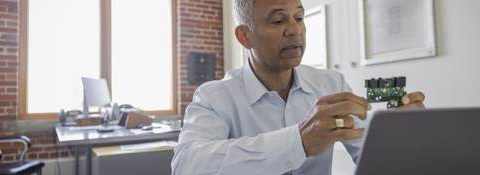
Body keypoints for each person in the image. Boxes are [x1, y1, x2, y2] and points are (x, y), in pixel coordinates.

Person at [171, 0, 426, 174]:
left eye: (299, 17)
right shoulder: (214, 96)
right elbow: (186, 165)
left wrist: (399, 137)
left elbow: (371, 159)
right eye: (278, 20)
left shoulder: (331, 84)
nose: (294, 30)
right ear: (244, 36)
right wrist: (299, 141)